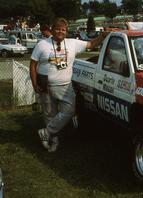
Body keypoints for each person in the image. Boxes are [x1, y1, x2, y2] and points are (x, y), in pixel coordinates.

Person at [30, 17, 108, 152]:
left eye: (63, 29)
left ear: (66, 31)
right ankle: (53, 142)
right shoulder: (42, 45)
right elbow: (33, 65)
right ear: (52, 30)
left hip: (66, 86)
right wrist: (34, 84)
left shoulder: (72, 43)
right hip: (46, 86)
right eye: (58, 29)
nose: (60, 32)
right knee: (50, 114)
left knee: (70, 110)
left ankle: (46, 132)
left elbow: (91, 44)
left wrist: (103, 36)